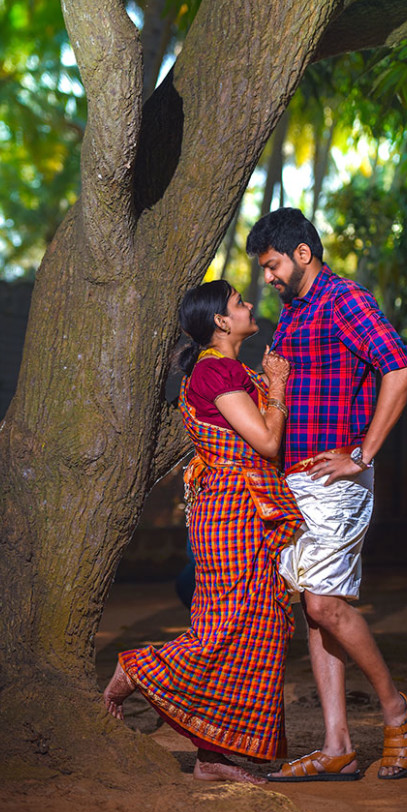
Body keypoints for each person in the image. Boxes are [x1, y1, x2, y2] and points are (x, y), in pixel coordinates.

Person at [246, 208, 407, 782]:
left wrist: (362, 454)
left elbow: (400, 368)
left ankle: (397, 711)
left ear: (302, 253)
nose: (266, 278)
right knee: (315, 610)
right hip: (295, 484)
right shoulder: (290, 313)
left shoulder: (345, 299)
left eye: (271, 264)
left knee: (324, 604)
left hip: (337, 479)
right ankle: (337, 745)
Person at [103, 280, 302, 785]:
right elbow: (266, 442)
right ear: (219, 321)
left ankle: (213, 756)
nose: (249, 306)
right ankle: (136, 671)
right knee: (226, 632)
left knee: (260, 632)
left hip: (247, 515)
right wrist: (277, 389)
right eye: (239, 303)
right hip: (230, 517)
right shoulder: (215, 371)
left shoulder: (229, 371)